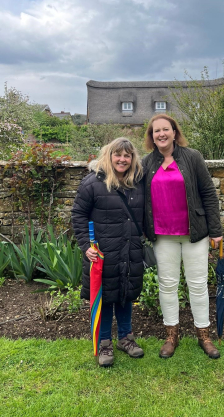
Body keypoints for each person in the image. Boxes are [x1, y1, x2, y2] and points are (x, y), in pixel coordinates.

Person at [143, 114, 223, 359]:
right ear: (152, 136)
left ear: (175, 132)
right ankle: (171, 335)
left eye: (166, 129)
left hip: (194, 234)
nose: (161, 134)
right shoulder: (146, 163)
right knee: (167, 286)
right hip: (163, 236)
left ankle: (204, 335)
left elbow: (208, 193)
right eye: (156, 131)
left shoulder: (192, 157)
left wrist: (216, 230)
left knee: (197, 285)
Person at [72, 137, 145, 368]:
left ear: (132, 158)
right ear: (108, 155)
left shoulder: (138, 183)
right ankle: (105, 342)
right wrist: (86, 246)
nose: (122, 159)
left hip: (129, 250)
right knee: (105, 298)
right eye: (118, 154)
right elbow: (78, 216)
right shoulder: (92, 183)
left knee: (125, 295)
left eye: (127, 155)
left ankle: (126, 338)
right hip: (103, 253)